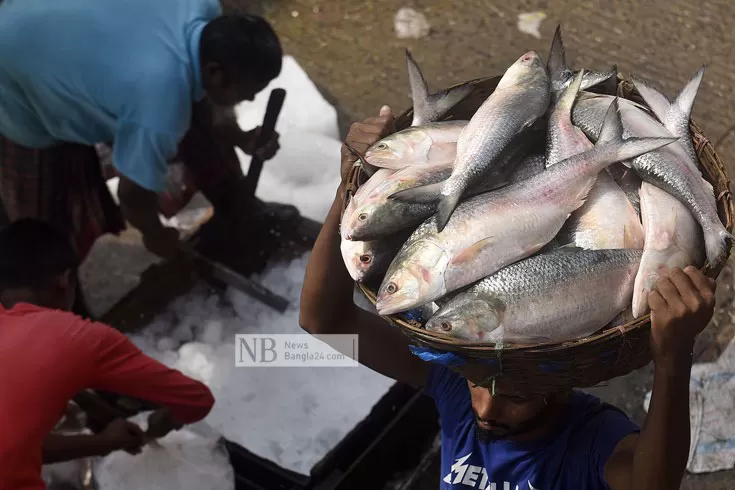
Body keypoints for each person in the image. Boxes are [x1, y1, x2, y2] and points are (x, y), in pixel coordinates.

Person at [299, 106, 719, 490]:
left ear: (560, 377)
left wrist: (673, 360)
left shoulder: (589, 439)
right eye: (478, 385)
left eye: (516, 396)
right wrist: (350, 196)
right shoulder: (459, 389)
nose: (487, 407)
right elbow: (324, 321)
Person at [0, 0, 283, 315]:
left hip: (51, 28)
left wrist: (240, 136)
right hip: (14, 64)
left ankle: (234, 216)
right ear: (215, 72)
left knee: (192, 117)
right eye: (249, 90)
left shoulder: (202, 10)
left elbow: (205, 102)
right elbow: (133, 196)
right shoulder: (158, 102)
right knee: (44, 227)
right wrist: (156, 235)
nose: (252, 99)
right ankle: (55, 316)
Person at [0, 219, 216, 489]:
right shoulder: (76, 337)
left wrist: (102, 443)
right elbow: (196, 399)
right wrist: (166, 418)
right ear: (65, 281)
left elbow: (18, 442)